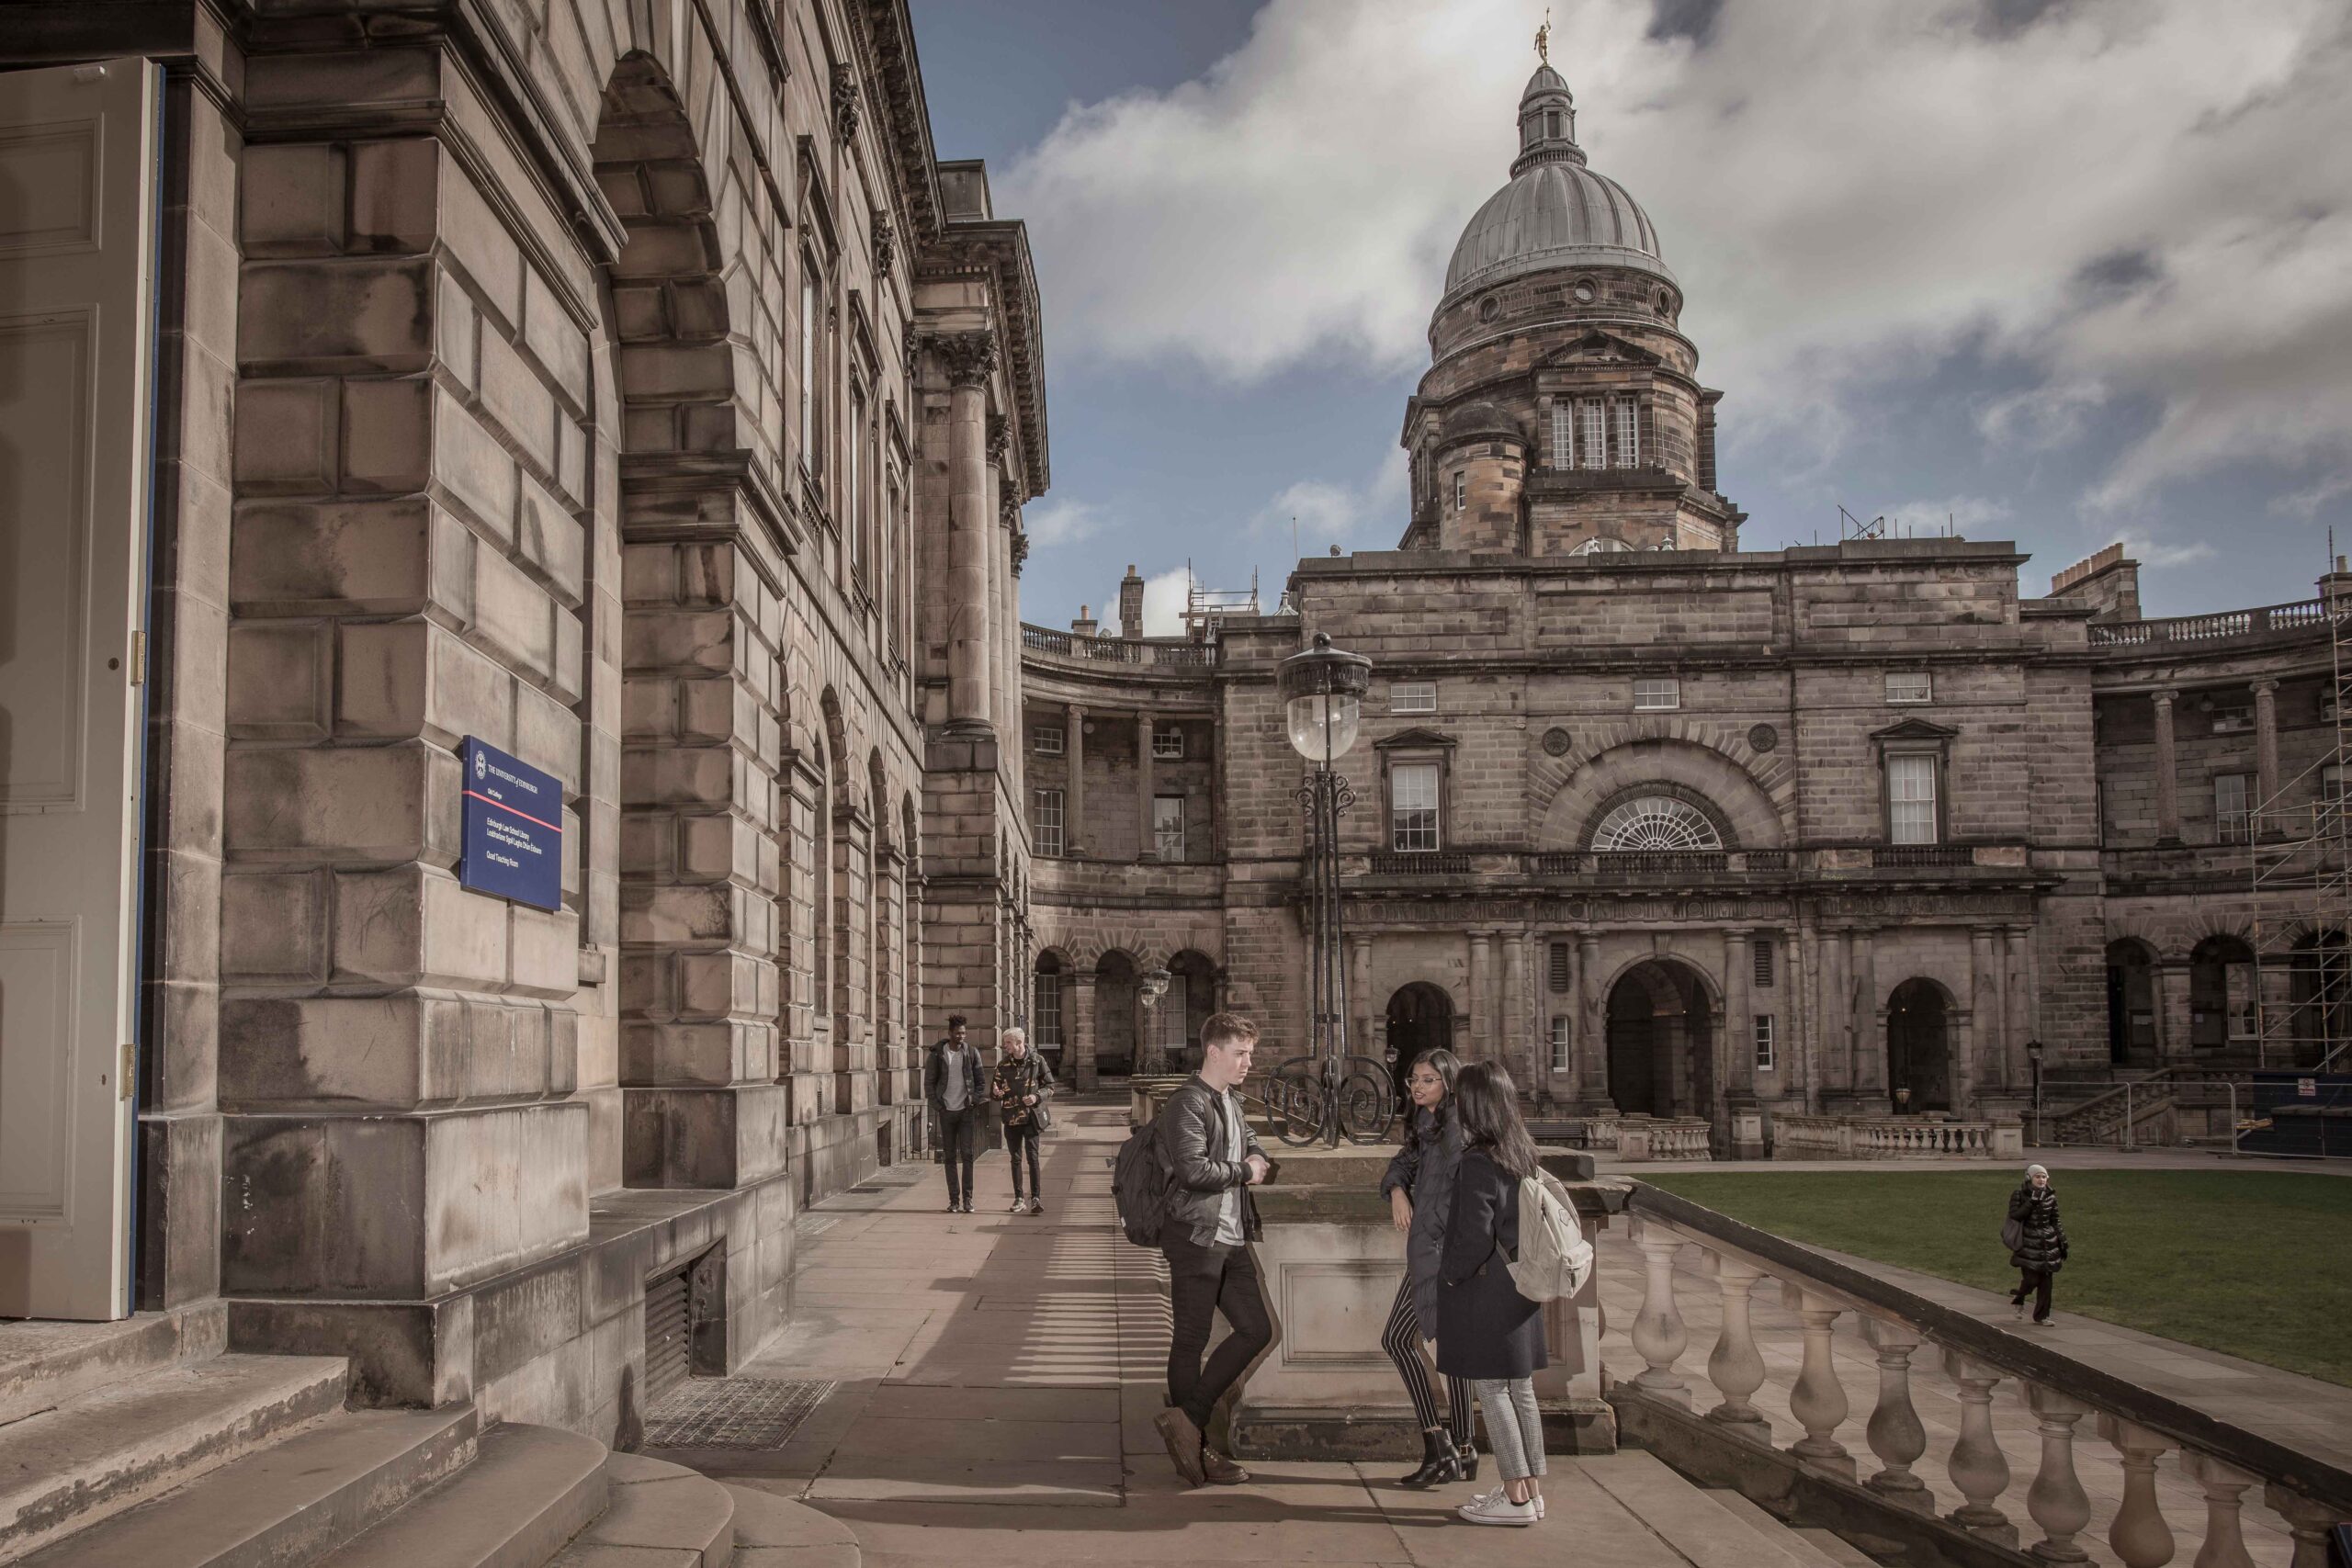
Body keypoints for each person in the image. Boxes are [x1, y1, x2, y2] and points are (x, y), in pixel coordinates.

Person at [1151, 1011, 1275, 1489]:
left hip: (1232, 1235)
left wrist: (1257, 1157)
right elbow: (1192, 1171)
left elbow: (1252, 1143)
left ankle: (1188, 1421)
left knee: (1256, 1329)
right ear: (1214, 1052)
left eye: (1250, 1053)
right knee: (1190, 1340)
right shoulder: (1187, 1104)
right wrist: (1246, 1171)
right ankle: (1197, 1447)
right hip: (1196, 1237)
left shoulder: (1230, 1100)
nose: (1248, 1062)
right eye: (1240, 1053)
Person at [1437, 1061, 1548, 1528]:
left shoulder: (1479, 1161)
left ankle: (1515, 1499)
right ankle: (1530, 1492)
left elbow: (1473, 1237)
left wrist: (1448, 1276)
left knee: (1493, 1391)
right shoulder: (1521, 1152)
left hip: (1488, 1289)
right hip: (1520, 1285)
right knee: (1520, 1389)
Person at [1380, 1049, 1478, 1489]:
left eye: (1428, 1081)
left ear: (1449, 1083)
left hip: (1439, 1253)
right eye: (1414, 1080)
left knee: (1398, 1339)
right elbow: (1404, 1161)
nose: (1418, 1088)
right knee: (1452, 1350)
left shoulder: (1456, 1129)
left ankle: (1440, 1446)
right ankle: (1463, 1448)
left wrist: (1437, 1244)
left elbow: (1457, 1199)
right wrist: (1398, 1189)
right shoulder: (1429, 1123)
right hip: (1434, 1250)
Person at [924, 1015, 988, 1214]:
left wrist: (973, 1101)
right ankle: (954, 1200)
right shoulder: (937, 1054)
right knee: (950, 1157)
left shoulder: (971, 1053)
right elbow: (929, 1083)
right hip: (946, 1112)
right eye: (958, 1033)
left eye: (964, 1033)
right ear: (950, 1033)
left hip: (965, 1111)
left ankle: (968, 1199)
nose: (962, 1036)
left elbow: (980, 1082)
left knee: (967, 1156)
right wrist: (938, 1106)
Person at [992, 1026, 1053, 1215]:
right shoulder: (1002, 1066)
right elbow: (994, 1092)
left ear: (1019, 1042)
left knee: (1033, 1158)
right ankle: (1019, 1198)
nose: (1005, 1046)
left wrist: (1036, 1097)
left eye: (1008, 1042)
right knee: (1016, 1159)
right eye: (1005, 1043)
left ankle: (1036, 1198)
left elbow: (1050, 1086)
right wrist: (996, 1093)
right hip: (1011, 1119)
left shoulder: (1037, 1061)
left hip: (1032, 1118)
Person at [2007, 1163, 2068, 1325]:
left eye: (2044, 1176)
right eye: (2037, 1176)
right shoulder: (2019, 1194)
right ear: (2029, 1178)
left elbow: (2055, 1220)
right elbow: (2015, 1216)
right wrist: (2031, 1202)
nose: (2041, 1180)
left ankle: (2042, 1316)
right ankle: (2019, 1297)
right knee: (2032, 1280)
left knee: (2046, 1283)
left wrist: (2062, 1240)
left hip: (2048, 1243)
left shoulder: (2051, 1196)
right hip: (2028, 1244)